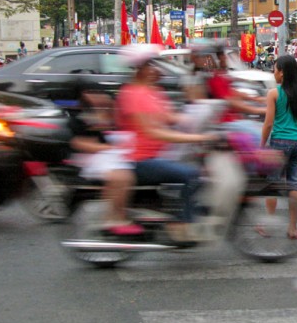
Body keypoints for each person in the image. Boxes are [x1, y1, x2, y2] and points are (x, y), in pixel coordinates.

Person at [115, 44, 217, 244]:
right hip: (140, 159)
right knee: (192, 175)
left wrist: (204, 120)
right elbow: (152, 131)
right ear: (140, 69)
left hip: (161, 152)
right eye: (150, 65)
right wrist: (198, 138)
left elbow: (171, 117)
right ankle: (181, 224)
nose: (155, 69)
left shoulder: (153, 91)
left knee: (203, 168)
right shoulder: (133, 94)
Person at [68, 86, 138, 235]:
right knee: (121, 177)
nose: (98, 97)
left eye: (99, 93)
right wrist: (110, 147)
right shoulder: (82, 119)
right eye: (92, 93)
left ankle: (120, 215)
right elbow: (80, 143)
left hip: (117, 154)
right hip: (94, 157)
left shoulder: (115, 116)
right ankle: (114, 218)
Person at [260, 55, 297, 240]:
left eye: (275, 69)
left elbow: (268, 124)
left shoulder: (274, 93)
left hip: (279, 143)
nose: (273, 72)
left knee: (273, 184)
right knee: (294, 186)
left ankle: (268, 226)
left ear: (282, 72)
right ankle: (292, 228)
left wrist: (261, 145)